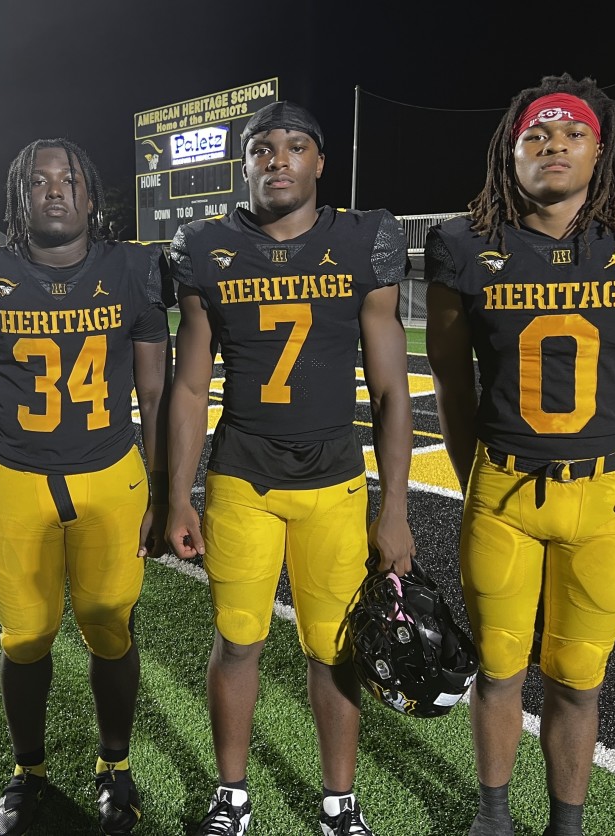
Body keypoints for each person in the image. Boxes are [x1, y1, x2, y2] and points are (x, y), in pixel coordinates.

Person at [423, 75, 615, 836]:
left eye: (571, 133)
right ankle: (493, 818)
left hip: (602, 495)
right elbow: (452, 385)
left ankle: (566, 827)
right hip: (502, 494)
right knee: (500, 669)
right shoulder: (463, 244)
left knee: (578, 680)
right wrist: (486, 474)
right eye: (535, 135)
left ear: (600, 148)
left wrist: (613, 474)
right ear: (509, 153)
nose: (553, 145)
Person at [166, 101, 414, 836]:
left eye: (296, 147)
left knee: (332, 649)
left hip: (334, 480)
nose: (279, 160)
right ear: (244, 165)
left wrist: (394, 504)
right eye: (263, 149)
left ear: (319, 164)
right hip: (242, 476)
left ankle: (339, 800)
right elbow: (187, 385)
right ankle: (232, 793)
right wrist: (176, 495)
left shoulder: (361, 240)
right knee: (238, 640)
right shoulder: (206, 246)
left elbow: (393, 387)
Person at [0, 138, 172, 836]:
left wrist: (165, 494)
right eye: (38, 182)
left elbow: (155, 397)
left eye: (68, 179)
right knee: (26, 635)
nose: (55, 190)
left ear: (91, 196)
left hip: (113, 478)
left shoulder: (133, 270)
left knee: (108, 624)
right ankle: (28, 771)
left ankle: (115, 766)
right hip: (16, 480)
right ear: (20, 199)